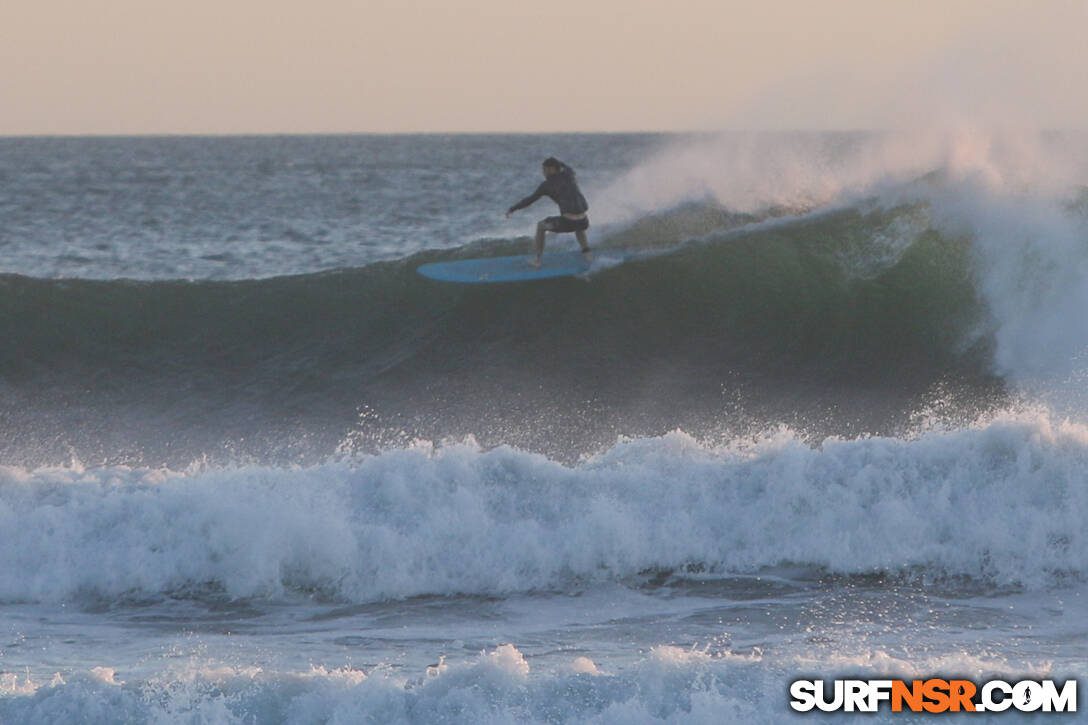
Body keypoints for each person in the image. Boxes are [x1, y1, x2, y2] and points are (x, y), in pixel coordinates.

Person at [506, 157, 592, 266]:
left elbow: (529, 200)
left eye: (545, 170)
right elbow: (566, 166)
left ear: (551, 169)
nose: (543, 173)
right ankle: (587, 253)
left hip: (568, 222)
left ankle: (537, 260)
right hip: (584, 221)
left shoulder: (546, 185)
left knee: (541, 226)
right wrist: (558, 163)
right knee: (579, 228)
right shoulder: (570, 175)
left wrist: (512, 208)